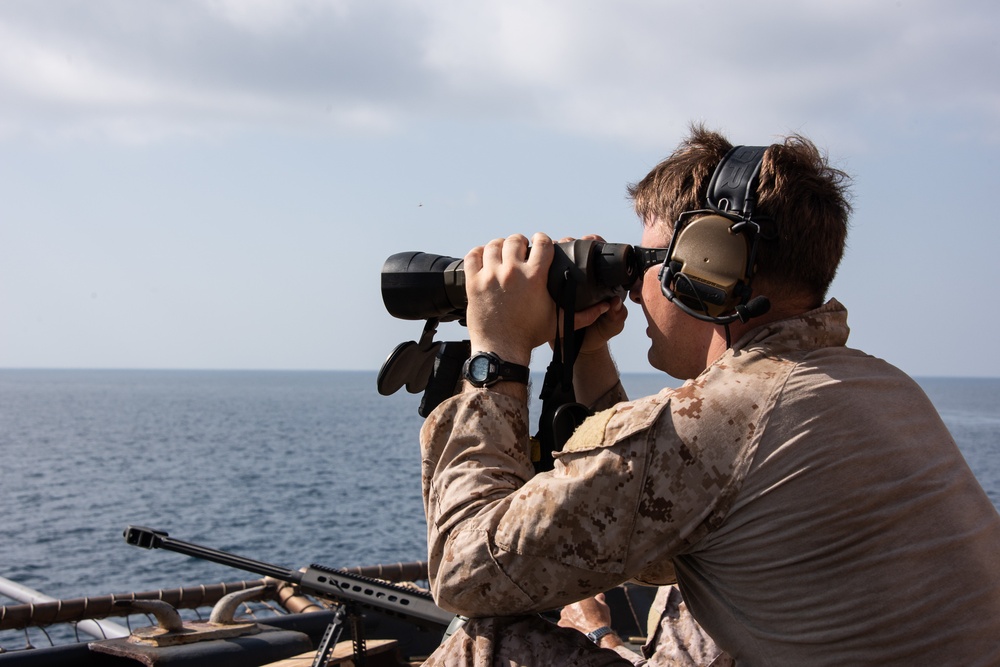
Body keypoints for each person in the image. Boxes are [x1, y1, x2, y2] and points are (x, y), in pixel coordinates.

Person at [416, 125, 1000, 666]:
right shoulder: (879, 386)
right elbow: (653, 524)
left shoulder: (732, 419)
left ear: (707, 267)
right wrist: (590, 356)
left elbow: (465, 569)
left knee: (486, 646)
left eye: (645, 263)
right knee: (692, 603)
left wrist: (497, 352)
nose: (637, 291)